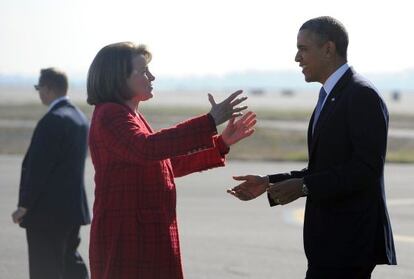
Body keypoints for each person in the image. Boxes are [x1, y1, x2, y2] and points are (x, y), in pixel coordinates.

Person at [228, 16, 396, 278]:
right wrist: (269, 182)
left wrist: (305, 187)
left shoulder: (361, 95)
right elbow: (325, 168)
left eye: (303, 49)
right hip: (329, 245)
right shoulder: (332, 95)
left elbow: (365, 169)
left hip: (348, 246)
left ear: (328, 49)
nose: (297, 58)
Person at [86, 41, 256, 279]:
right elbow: (147, 149)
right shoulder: (110, 115)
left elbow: (165, 163)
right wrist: (208, 122)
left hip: (146, 236)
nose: (151, 76)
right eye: (143, 71)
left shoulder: (131, 115)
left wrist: (221, 143)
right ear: (118, 77)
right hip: (128, 239)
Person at [11, 68, 91, 279]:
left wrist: (24, 205)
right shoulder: (80, 118)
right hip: (71, 209)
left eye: (39, 88)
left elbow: (39, 168)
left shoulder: (53, 120)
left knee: (45, 269)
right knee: (69, 264)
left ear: (47, 89)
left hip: (46, 213)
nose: (39, 93)